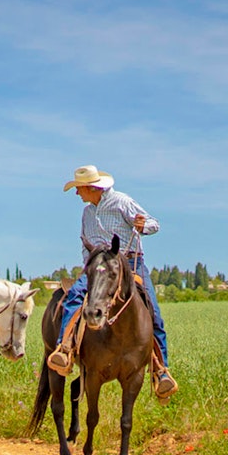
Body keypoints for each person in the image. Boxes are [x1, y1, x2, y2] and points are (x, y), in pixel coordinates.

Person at [48, 165, 176, 398]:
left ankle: (161, 370)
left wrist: (142, 225)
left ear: (90, 187)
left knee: (153, 311)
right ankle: (64, 348)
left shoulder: (121, 202)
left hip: (128, 264)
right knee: (73, 297)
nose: (77, 194)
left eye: (79, 189)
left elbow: (153, 223)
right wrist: (89, 267)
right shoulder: (87, 212)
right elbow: (85, 242)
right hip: (97, 267)